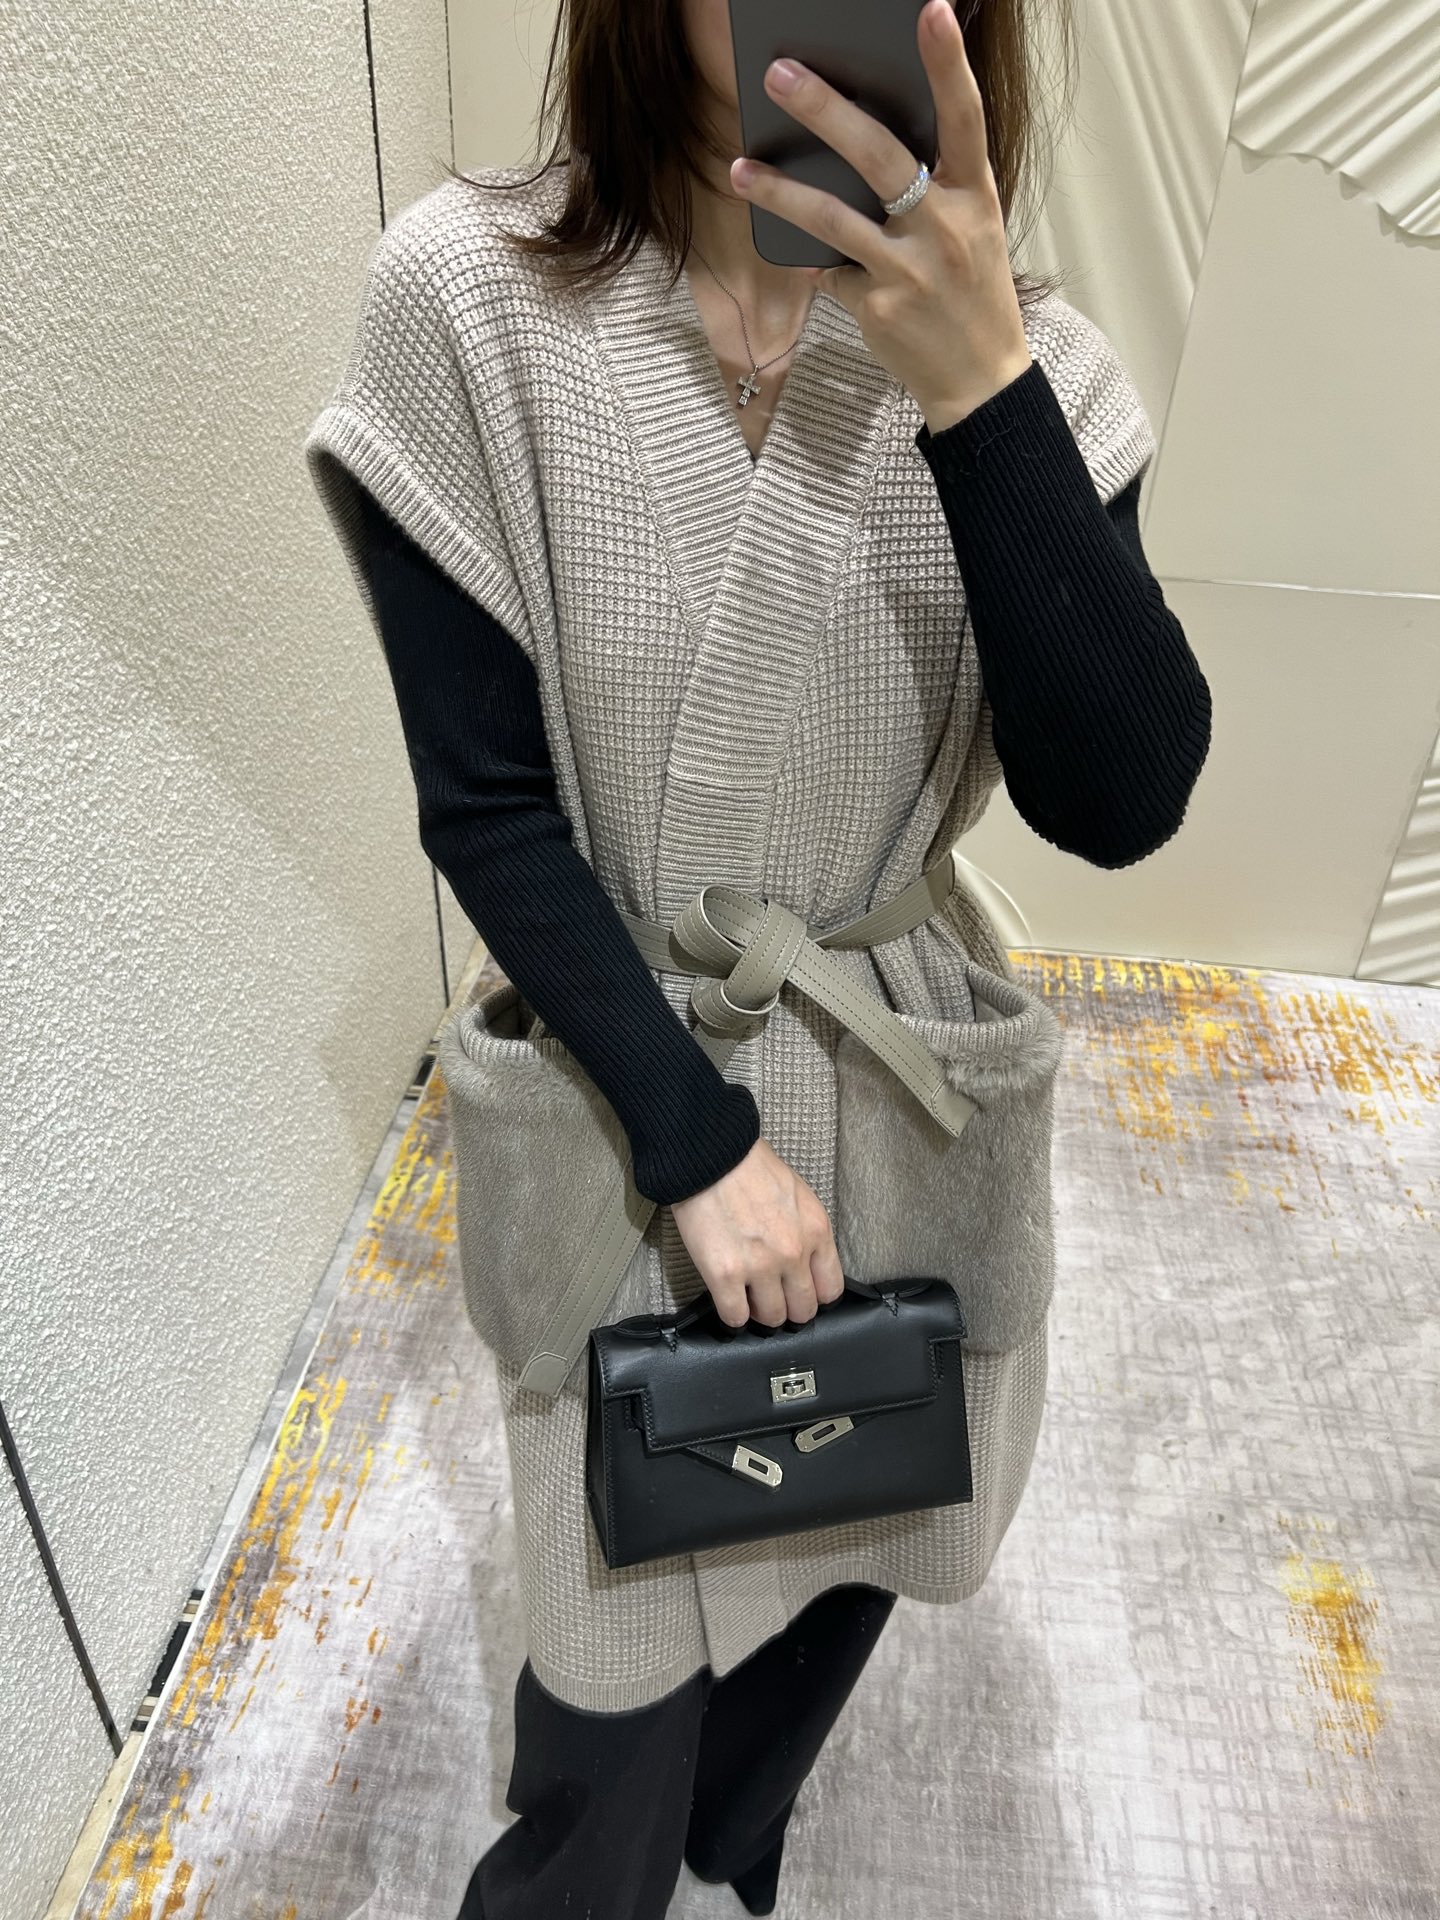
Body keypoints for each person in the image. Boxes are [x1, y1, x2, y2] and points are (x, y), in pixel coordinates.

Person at [305, 0, 1212, 1910]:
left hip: (905, 1074)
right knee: (610, 1664)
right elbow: (487, 806)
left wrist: (982, 396)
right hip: (624, 1086)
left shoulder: (1034, 360)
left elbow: (1122, 797)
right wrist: (699, 1144)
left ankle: (743, 1824)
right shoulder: (469, 301)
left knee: (874, 1528)